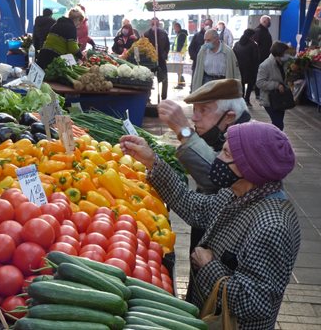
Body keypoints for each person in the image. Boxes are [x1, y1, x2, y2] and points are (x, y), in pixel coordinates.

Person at [120, 120, 300, 329]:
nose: (218, 159)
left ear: (250, 166)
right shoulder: (237, 193)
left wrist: (209, 267)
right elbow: (194, 208)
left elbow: (256, 304)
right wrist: (152, 162)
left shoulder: (272, 226)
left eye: (226, 154)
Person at [158, 79, 251, 266]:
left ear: (229, 117)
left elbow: (214, 176)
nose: (194, 118)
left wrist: (183, 131)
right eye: (194, 110)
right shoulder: (219, 135)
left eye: (203, 110)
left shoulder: (246, 143)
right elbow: (196, 206)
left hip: (221, 266)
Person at [256, 41, 292, 131]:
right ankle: (274, 141)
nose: (287, 55)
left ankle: (274, 141)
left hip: (280, 98)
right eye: (285, 53)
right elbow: (259, 82)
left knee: (278, 123)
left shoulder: (283, 63)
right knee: (278, 124)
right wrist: (276, 85)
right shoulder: (266, 65)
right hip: (270, 99)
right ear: (279, 53)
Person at [144, 17, 170, 100]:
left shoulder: (163, 33)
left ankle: (164, 96)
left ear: (158, 24)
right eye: (153, 24)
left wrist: (164, 54)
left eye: (156, 24)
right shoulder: (146, 34)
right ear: (150, 24)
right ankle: (147, 96)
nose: (154, 25)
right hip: (150, 60)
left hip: (161, 59)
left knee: (164, 78)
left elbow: (167, 45)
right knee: (148, 78)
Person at [233, 28, 260, 106]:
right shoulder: (253, 45)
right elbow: (256, 58)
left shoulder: (237, 44)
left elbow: (233, 54)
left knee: (241, 83)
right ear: (251, 36)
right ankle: (247, 99)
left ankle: (241, 98)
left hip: (239, 67)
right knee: (250, 84)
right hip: (250, 68)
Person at [253, 15, 273, 100]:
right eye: (268, 21)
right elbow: (255, 45)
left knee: (262, 75)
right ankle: (258, 93)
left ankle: (260, 92)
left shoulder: (264, 30)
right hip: (260, 58)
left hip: (264, 57)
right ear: (264, 21)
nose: (269, 23)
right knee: (259, 75)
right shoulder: (259, 31)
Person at [188, 18, 213, 84]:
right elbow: (191, 48)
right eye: (206, 24)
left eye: (210, 25)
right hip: (197, 63)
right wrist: (196, 58)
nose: (208, 26)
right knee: (195, 82)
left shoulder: (214, 37)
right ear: (204, 25)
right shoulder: (197, 35)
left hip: (209, 65)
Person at [172, 22, 188, 89]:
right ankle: (181, 82)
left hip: (180, 54)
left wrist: (176, 52)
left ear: (178, 27)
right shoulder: (180, 34)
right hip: (179, 54)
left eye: (174, 28)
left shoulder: (181, 35)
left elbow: (179, 45)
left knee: (179, 69)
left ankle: (180, 83)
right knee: (179, 70)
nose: (174, 29)